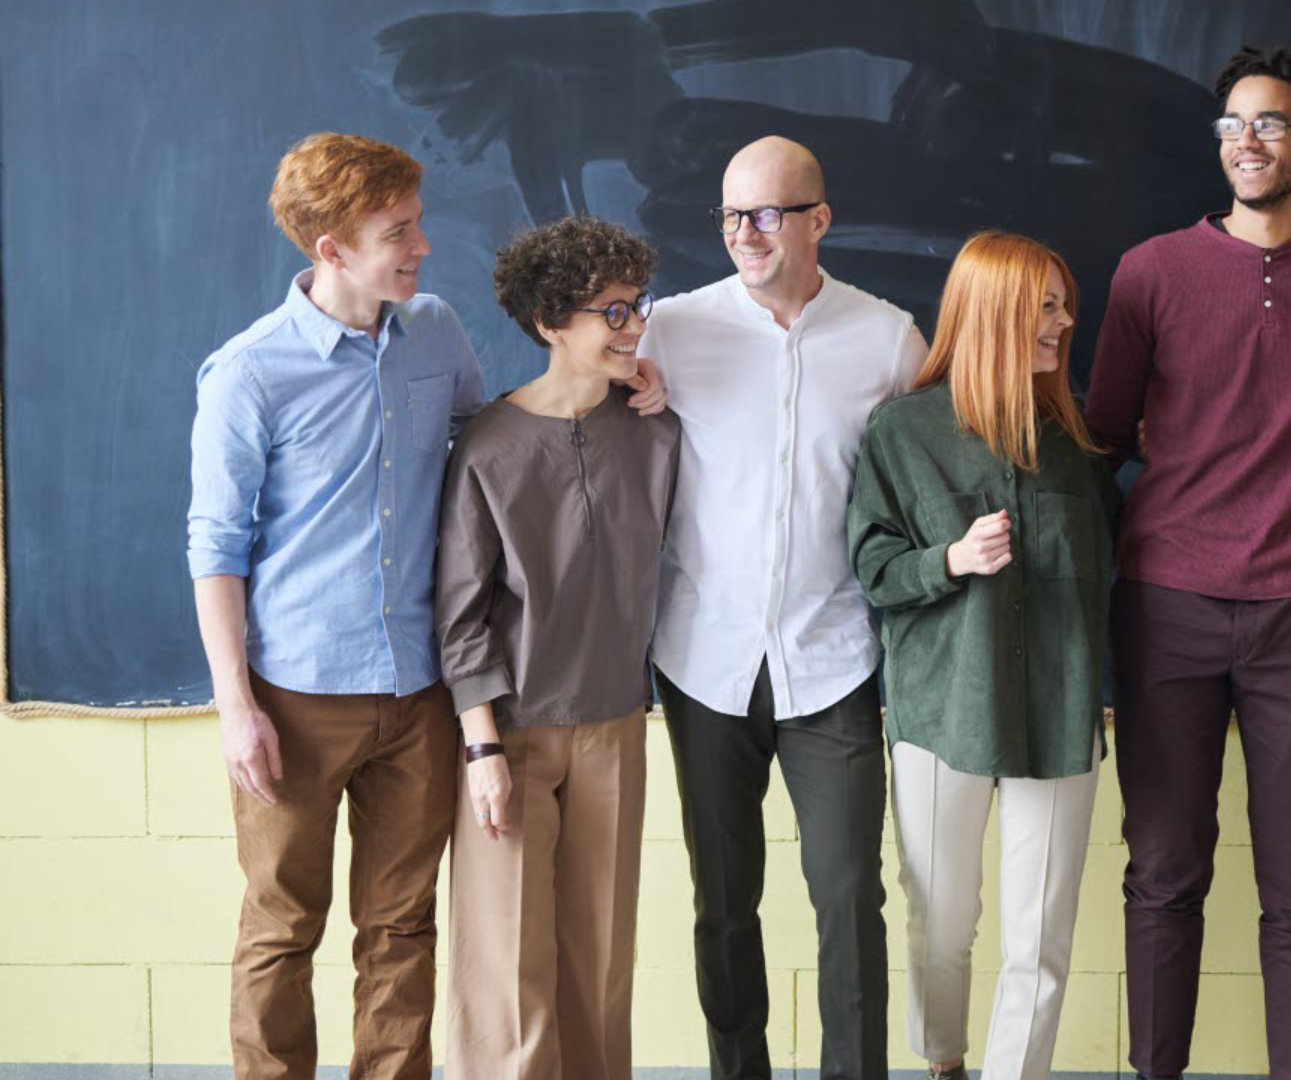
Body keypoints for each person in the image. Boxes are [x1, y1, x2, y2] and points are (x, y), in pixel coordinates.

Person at [1082, 46, 1291, 1080]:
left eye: (1270, 124)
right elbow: (1102, 434)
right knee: (1165, 873)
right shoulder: (1150, 271)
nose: (1248, 141)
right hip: (1167, 603)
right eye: (1232, 124)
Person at [186, 132, 487, 1079]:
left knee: (402, 928)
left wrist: (604, 385)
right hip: (295, 701)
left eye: (416, 222)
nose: (421, 246)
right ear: (331, 249)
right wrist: (237, 709)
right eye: (397, 231)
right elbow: (216, 549)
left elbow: (485, 450)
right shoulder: (248, 372)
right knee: (282, 925)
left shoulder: (436, 328)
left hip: (422, 690)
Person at [634, 136, 928, 1080]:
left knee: (850, 894)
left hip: (832, 657)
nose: (744, 234)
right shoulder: (670, 328)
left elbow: (933, 476)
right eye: (729, 216)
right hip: (702, 659)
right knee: (723, 900)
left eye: (765, 214)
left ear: (818, 219)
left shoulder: (887, 338)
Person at [849, 231, 1120, 1080]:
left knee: (1042, 930)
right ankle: (944, 1060)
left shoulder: (1071, 443)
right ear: (994, 310)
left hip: (1060, 711)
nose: (1065, 321)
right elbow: (873, 567)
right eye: (1046, 304)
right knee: (941, 917)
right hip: (943, 710)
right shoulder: (905, 431)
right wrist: (951, 561)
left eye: (1062, 303)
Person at [435, 216, 680, 1079]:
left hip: (615, 722)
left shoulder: (655, 426)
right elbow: (460, 618)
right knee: (507, 970)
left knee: (600, 967)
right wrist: (483, 749)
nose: (634, 327)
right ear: (550, 323)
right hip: (512, 732)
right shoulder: (489, 447)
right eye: (611, 313)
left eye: (636, 307)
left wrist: (647, 383)